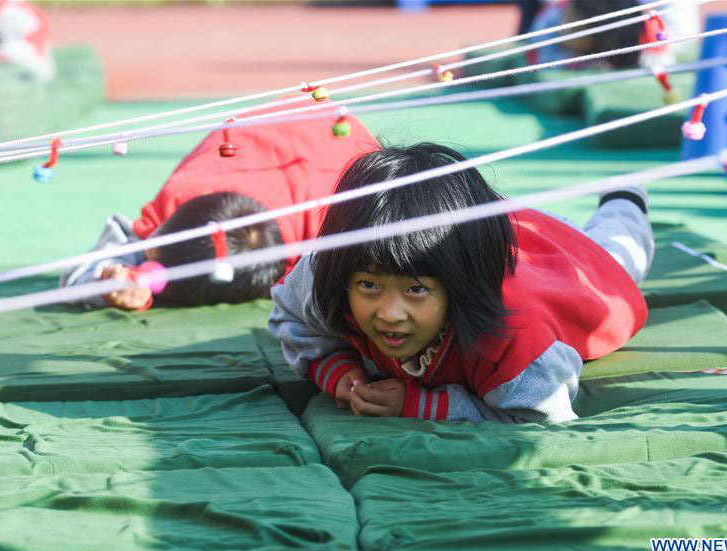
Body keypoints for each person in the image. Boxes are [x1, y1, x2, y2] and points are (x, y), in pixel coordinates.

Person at [269, 143, 653, 424]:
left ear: (459, 287)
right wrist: (336, 371)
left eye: (415, 290)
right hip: (495, 230)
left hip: (574, 265)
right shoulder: (331, 270)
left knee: (621, 246)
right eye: (369, 286)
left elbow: (542, 418)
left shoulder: (517, 346)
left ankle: (625, 194)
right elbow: (290, 316)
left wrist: (425, 404)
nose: (389, 313)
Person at [61, 108, 379, 311]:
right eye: (153, 247)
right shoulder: (180, 198)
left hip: (337, 135)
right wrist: (106, 280)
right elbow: (80, 272)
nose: (148, 252)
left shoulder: (334, 238)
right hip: (257, 134)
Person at [527, 0, 698, 69]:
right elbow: (538, 56)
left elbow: (665, 55)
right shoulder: (554, 16)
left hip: (639, 31)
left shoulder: (651, 26)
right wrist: (574, 62)